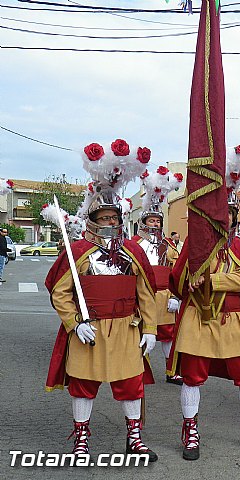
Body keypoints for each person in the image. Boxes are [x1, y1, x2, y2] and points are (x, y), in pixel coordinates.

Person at [45, 140, 158, 460]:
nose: (110, 222)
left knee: (130, 384)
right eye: (104, 216)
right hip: (89, 330)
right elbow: (60, 293)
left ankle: (134, 438)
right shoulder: (78, 252)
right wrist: (74, 322)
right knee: (83, 384)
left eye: (114, 217)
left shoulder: (134, 252)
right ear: (94, 217)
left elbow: (146, 294)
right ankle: (82, 439)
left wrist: (149, 328)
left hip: (125, 329)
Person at [168, 177, 240, 459]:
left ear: (235, 218)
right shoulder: (194, 244)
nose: (223, 219)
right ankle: (190, 432)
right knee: (192, 377)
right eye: (218, 214)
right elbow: (178, 278)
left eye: (229, 214)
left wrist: (212, 280)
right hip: (198, 318)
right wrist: (192, 278)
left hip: (233, 320)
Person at [133, 166, 183, 385]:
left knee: (169, 334)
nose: (155, 225)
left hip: (165, 297)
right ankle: (139, 370)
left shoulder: (169, 245)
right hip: (141, 298)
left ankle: (171, 371)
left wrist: (176, 296)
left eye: (157, 221)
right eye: (151, 221)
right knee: (140, 333)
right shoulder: (133, 245)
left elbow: (177, 271)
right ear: (143, 223)